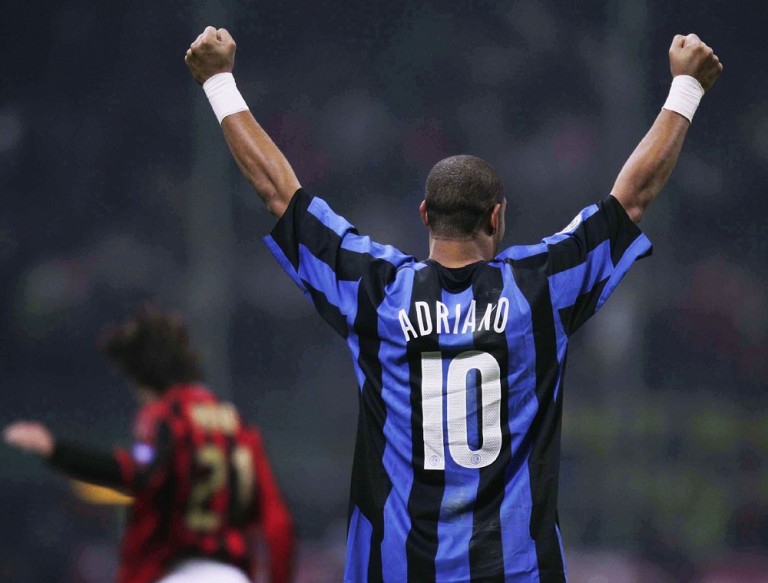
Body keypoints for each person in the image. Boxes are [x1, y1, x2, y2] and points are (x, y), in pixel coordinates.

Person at [184, 26, 722, 582]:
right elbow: (631, 200)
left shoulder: (377, 291)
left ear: (424, 215)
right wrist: (687, 86)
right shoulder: (538, 289)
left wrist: (218, 80)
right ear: (497, 217)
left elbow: (279, 193)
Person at [3, 307, 295, 583]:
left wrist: (56, 450)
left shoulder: (166, 417)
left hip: (178, 572)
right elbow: (278, 523)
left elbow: (136, 473)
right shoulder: (240, 428)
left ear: (144, 377)